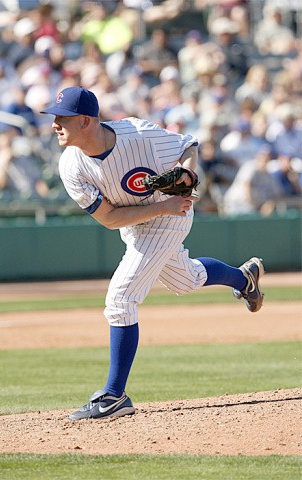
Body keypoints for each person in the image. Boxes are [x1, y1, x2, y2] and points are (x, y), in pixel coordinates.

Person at [41, 86, 265, 421]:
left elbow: (188, 145)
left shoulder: (138, 134)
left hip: (171, 216)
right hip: (138, 220)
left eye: (63, 118)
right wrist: (165, 203)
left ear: (86, 121)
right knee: (186, 279)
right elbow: (109, 219)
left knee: (120, 299)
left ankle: (114, 395)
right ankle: (243, 278)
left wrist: (188, 175)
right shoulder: (71, 167)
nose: (55, 124)